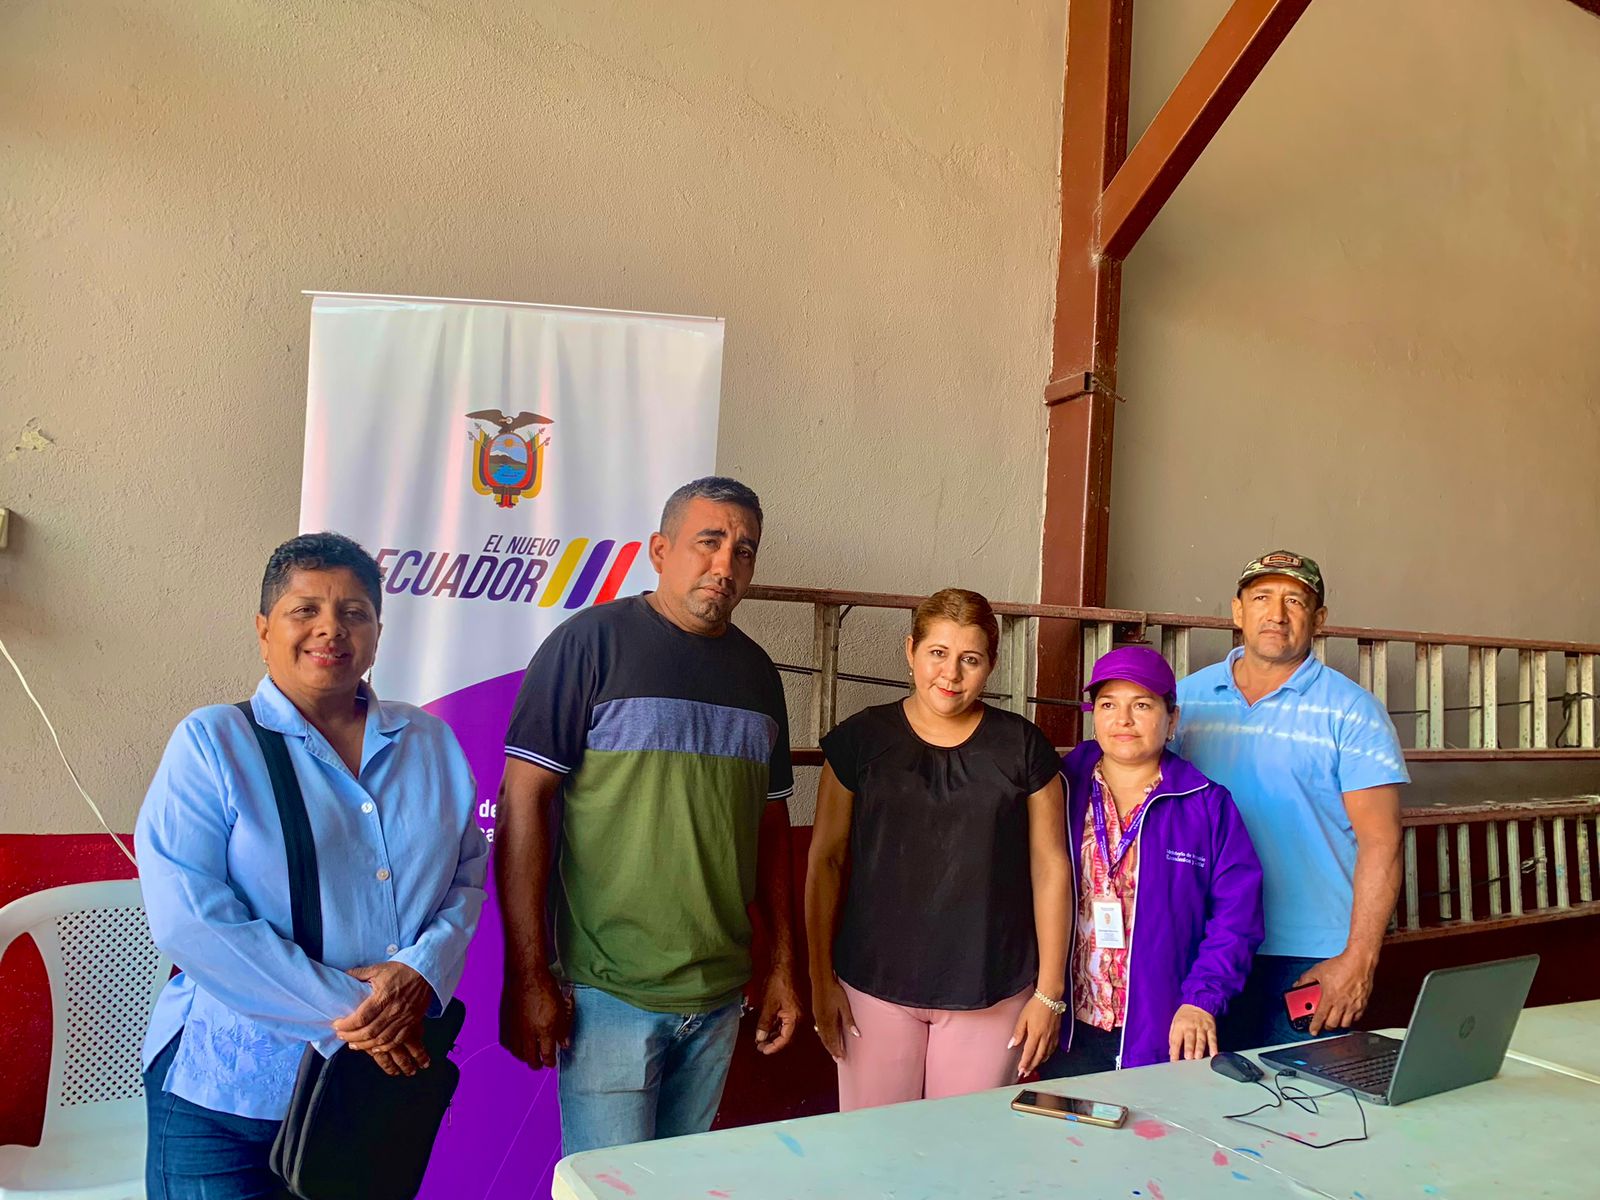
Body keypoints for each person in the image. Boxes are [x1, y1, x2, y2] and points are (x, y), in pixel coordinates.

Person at [135, 532, 489, 1200]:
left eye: (355, 612)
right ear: (264, 630)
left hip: (366, 1098)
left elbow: (465, 876)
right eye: (306, 610)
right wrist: (367, 1015)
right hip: (229, 1096)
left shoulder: (430, 743)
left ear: (377, 633)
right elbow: (191, 919)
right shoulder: (213, 742)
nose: (331, 628)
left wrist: (422, 970)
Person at [496, 476, 799, 1156]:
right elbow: (523, 805)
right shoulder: (588, 646)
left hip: (720, 995)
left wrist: (782, 964)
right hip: (609, 994)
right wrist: (528, 973)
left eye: (744, 550)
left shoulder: (758, 674)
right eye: (708, 542)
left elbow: (771, 827)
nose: (725, 565)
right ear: (660, 551)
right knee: (610, 1191)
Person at [805, 588, 1071, 1110]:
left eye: (970, 659)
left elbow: (1050, 868)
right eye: (937, 653)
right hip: (872, 985)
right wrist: (819, 980)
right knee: (873, 1147)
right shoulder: (861, 740)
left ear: (991, 665)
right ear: (910, 651)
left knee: (966, 1147)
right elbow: (825, 860)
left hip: (991, 985)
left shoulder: (1022, 747)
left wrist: (1049, 993)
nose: (951, 674)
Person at [1174, 551, 1407, 1049]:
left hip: (1310, 955)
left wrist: (1359, 959)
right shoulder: (1185, 702)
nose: (1276, 614)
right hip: (1204, 946)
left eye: (1295, 601)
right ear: (1237, 611)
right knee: (1197, 1089)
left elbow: (1382, 843)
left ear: (1319, 620)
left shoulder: (1353, 712)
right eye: (1261, 598)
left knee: (1305, 1093)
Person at [1038, 646, 1263, 1077]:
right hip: (1066, 1026)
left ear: (1172, 719)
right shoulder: (1058, 788)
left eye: (1141, 705)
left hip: (1163, 1030)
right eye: (1108, 705)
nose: (1123, 719)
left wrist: (1201, 1000)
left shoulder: (1207, 805)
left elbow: (1237, 919)